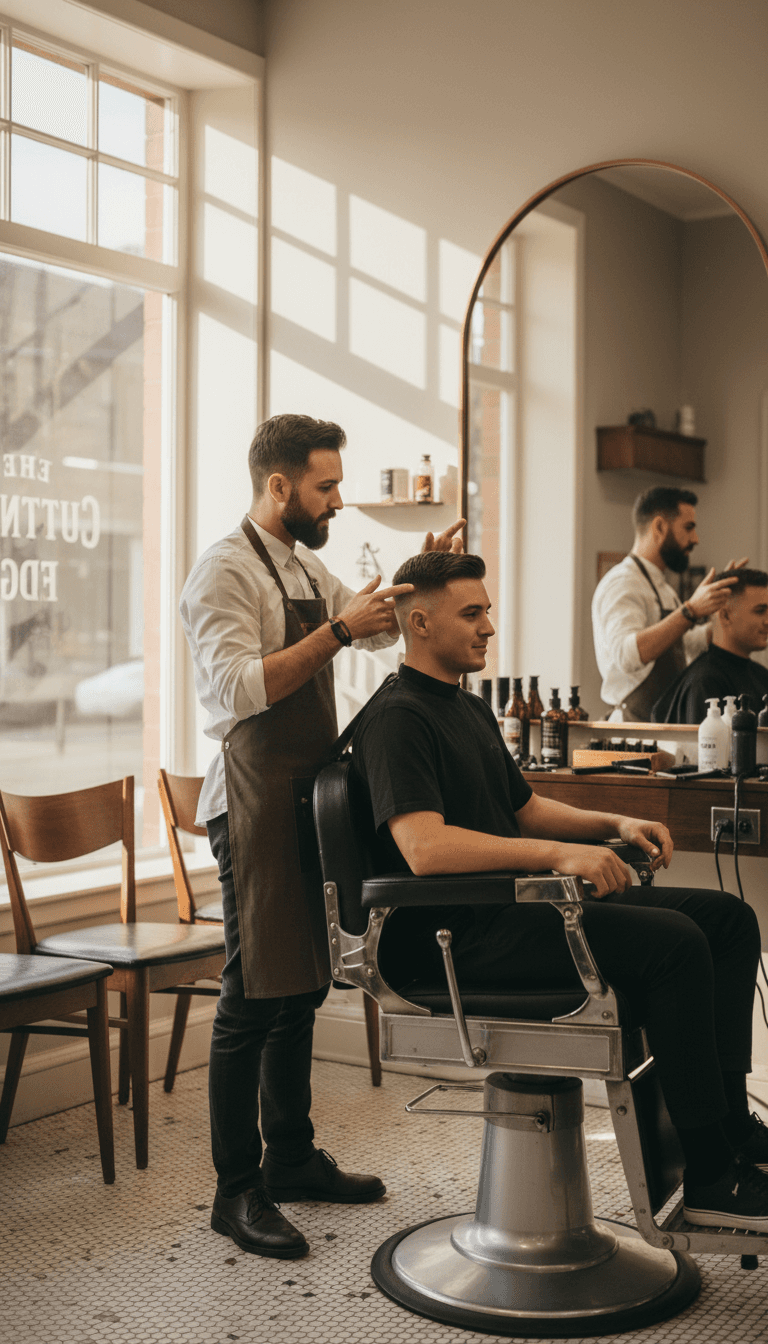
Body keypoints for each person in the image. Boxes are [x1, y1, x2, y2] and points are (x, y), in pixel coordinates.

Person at [352, 549, 768, 1231]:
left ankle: (728, 1128)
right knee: (675, 946)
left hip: (514, 912)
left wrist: (614, 822)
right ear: (419, 623)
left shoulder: (466, 710)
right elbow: (424, 849)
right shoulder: (398, 718)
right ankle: (711, 1176)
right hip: (455, 938)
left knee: (726, 919)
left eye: (487, 610)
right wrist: (559, 856)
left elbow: (523, 809)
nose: (489, 626)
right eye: (472, 613)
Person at [180, 413, 465, 1259]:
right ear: (280, 487)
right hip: (253, 797)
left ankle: (293, 1157)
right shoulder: (222, 574)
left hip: (307, 795)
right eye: (326, 487)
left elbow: (371, 621)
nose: (337, 501)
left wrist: (422, 576)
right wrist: (338, 631)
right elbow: (235, 688)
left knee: (302, 984)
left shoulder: (304, 562)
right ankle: (236, 1191)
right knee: (250, 994)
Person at [591, 485, 747, 721]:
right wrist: (691, 610)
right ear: (660, 527)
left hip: (662, 722)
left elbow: (684, 647)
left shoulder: (662, 586)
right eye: (688, 528)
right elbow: (626, 655)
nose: (695, 539)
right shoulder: (622, 583)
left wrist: (720, 610)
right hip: (634, 731)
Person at [653, 568, 768, 723]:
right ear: (725, 616)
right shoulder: (704, 682)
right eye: (760, 611)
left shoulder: (762, 676)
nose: (767, 621)